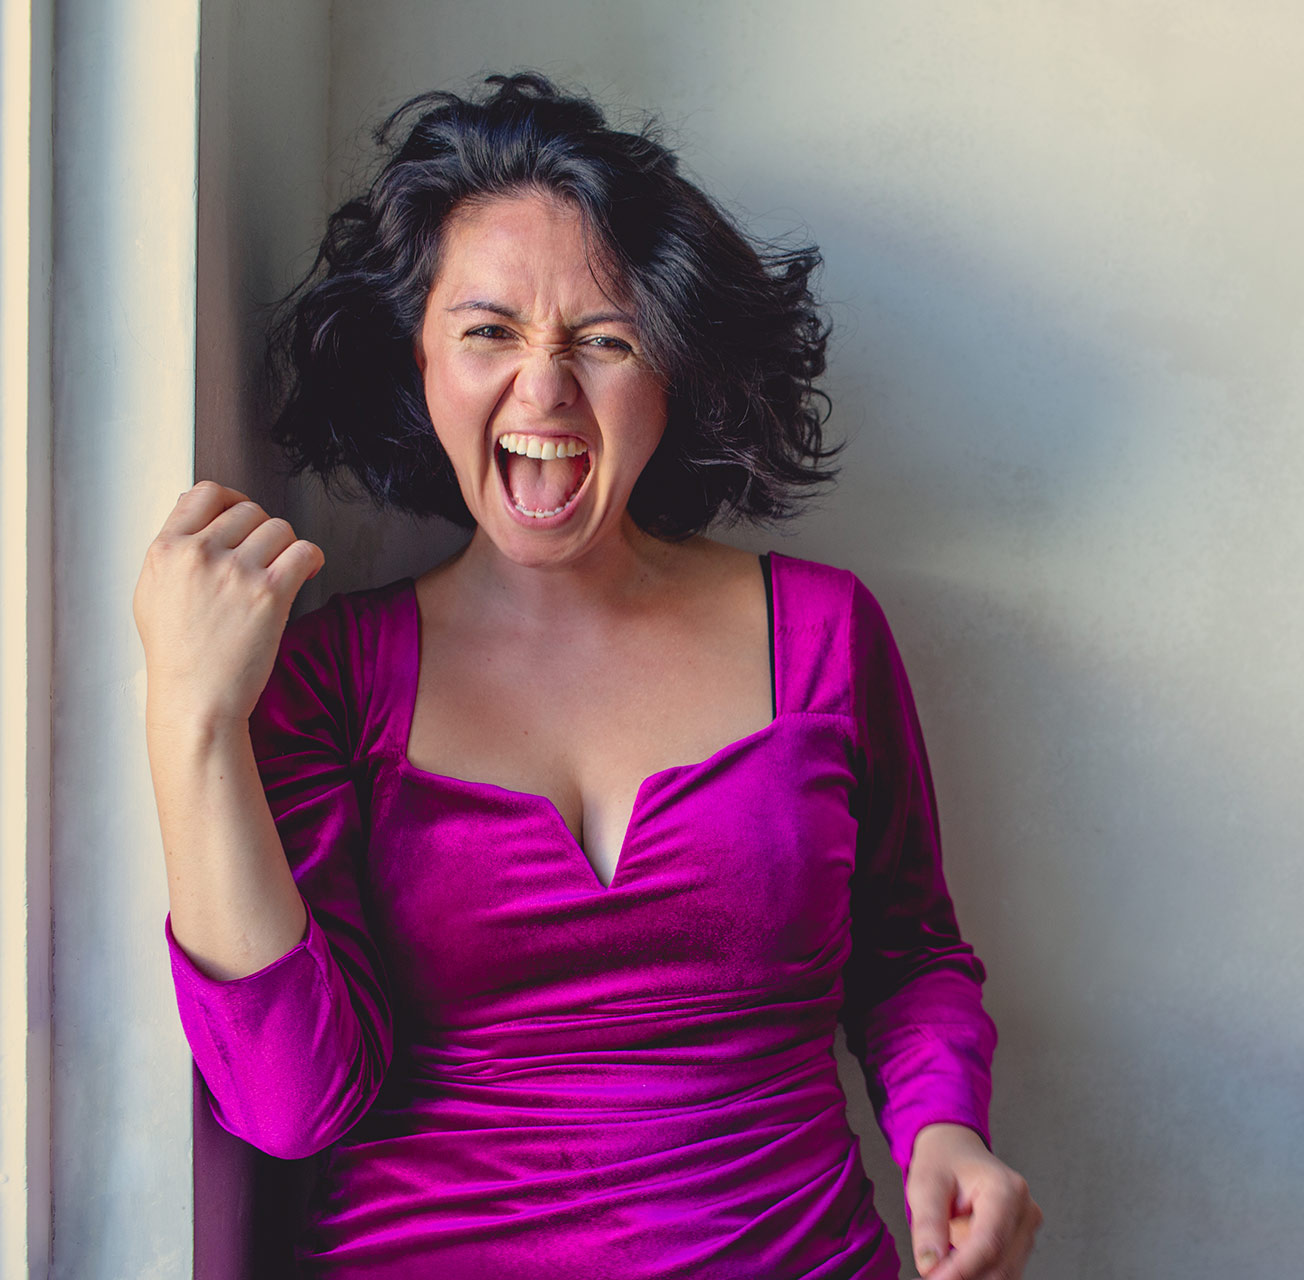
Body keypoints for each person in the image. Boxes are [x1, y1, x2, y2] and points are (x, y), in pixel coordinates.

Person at [133, 72, 1041, 1279]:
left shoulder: (824, 633)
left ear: (672, 366)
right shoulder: (330, 678)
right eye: (489, 330)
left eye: (605, 338)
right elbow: (290, 1101)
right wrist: (191, 717)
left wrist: (945, 1126)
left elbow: (907, 954)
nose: (546, 386)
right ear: (418, 357)